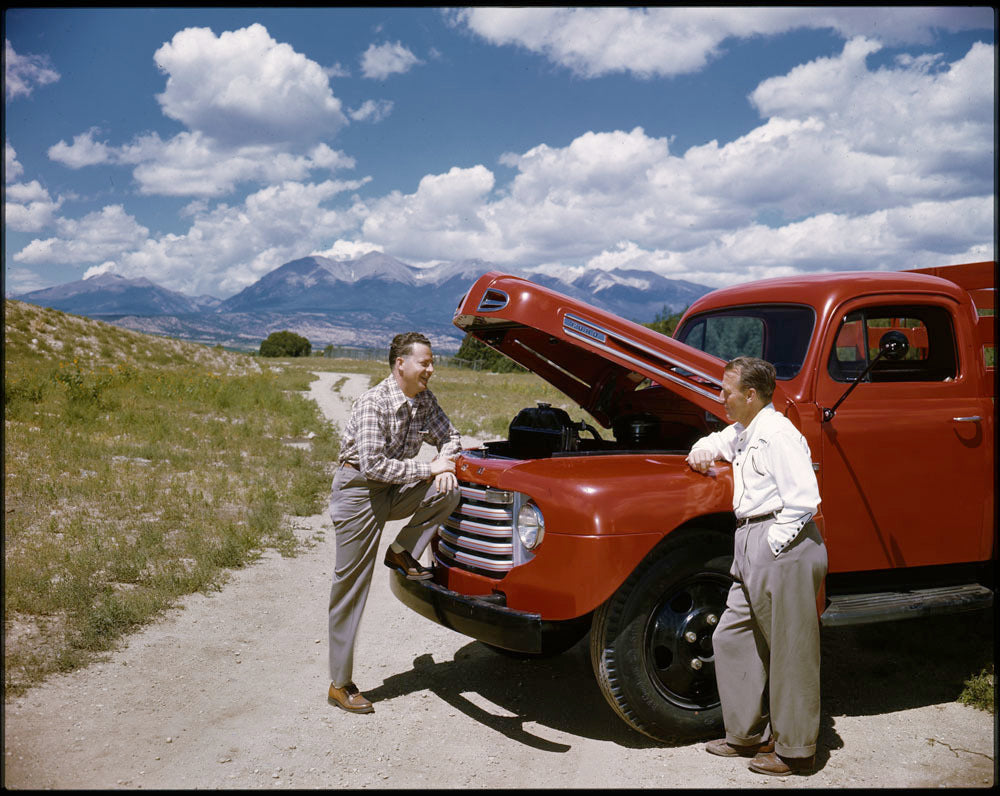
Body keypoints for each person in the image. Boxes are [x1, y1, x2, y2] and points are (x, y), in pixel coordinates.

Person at [686, 356, 827, 776]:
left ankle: (796, 751)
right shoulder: (748, 430)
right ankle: (745, 735)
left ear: (751, 394)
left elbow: (805, 497)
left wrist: (772, 544)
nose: (721, 397)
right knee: (732, 636)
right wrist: (702, 451)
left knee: (790, 650)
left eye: (726, 391)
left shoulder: (778, 435)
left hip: (781, 541)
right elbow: (715, 443)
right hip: (752, 540)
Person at [326, 331, 462, 714]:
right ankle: (340, 684)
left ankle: (401, 551)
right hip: (359, 492)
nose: (431, 369)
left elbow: (450, 436)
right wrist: (429, 467)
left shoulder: (424, 400)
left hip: (396, 487)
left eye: (432, 362)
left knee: (449, 490)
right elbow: (373, 464)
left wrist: (444, 465)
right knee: (350, 586)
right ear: (400, 364)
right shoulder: (373, 402)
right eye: (425, 362)